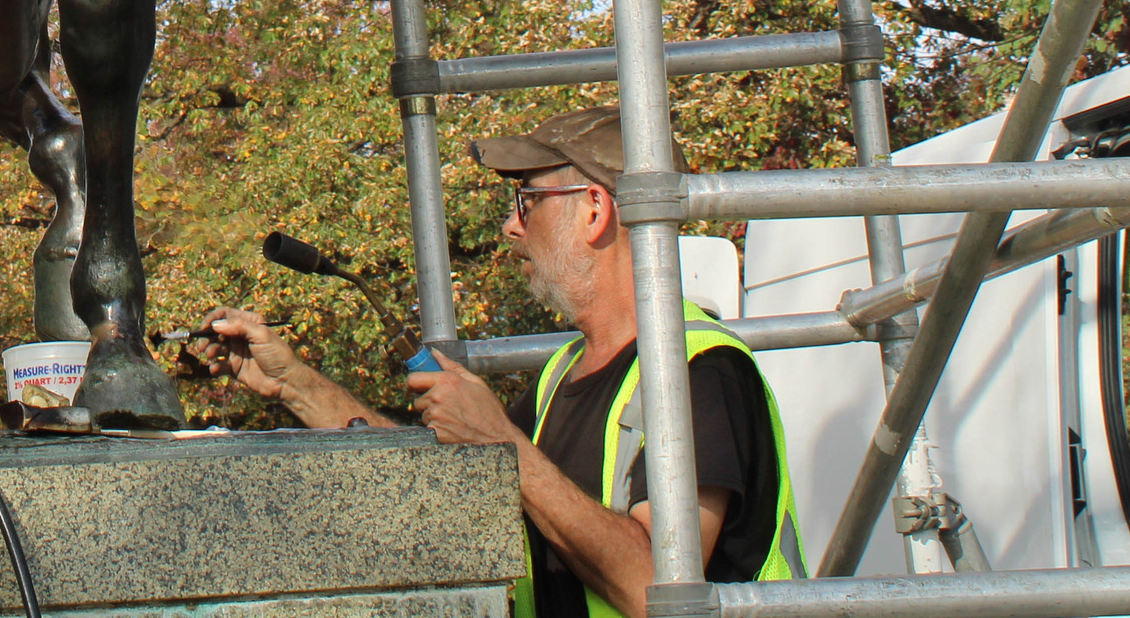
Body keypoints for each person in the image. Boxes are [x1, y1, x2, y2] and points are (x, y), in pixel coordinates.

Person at [200, 106, 802, 618]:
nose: (511, 227)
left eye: (528, 199)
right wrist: (294, 385)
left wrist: (502, 444)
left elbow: (662, 594)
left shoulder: (701, 372)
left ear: (594, 208)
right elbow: (439, 483)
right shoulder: (564, 372)